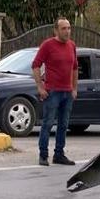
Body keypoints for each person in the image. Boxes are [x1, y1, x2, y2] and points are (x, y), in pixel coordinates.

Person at [32, 17, 78, 166]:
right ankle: (43, 154)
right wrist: (40, 86)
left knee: (64, 125)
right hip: (52, 92)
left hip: (67, 92)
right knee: (47, 124)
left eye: (69, 28)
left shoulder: (72, 45)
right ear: (56, 30)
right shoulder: (48, 45)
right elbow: (36, 65)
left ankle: (59, 154)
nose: (67, 31)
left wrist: (74, 88)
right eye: (64, 28)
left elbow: (75, 68)